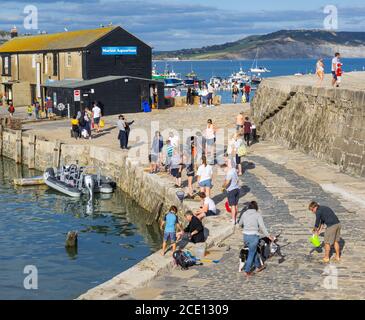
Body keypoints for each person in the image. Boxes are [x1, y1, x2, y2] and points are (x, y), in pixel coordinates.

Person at [238, 201, 274, 277]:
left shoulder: (244, 214)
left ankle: (259, 266)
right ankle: (247, 271)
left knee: (253, 251)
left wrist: (245, 227)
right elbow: (262, 227)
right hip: (253, 237)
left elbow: (240, 224)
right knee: (251, 253)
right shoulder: (257, 215)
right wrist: (268, 235)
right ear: (256, 208)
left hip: (245, 236)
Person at [222, 157, 241, 224]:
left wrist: (223, 187)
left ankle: (233, 220)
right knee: (236, 205)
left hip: (231, 191)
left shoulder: (229, 173)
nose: (224, 171)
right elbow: (238, 179)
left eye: (223, 169)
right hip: (237, 189)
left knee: (232, 206)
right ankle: (235, 218)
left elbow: (227, 182)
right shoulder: (233, 170)